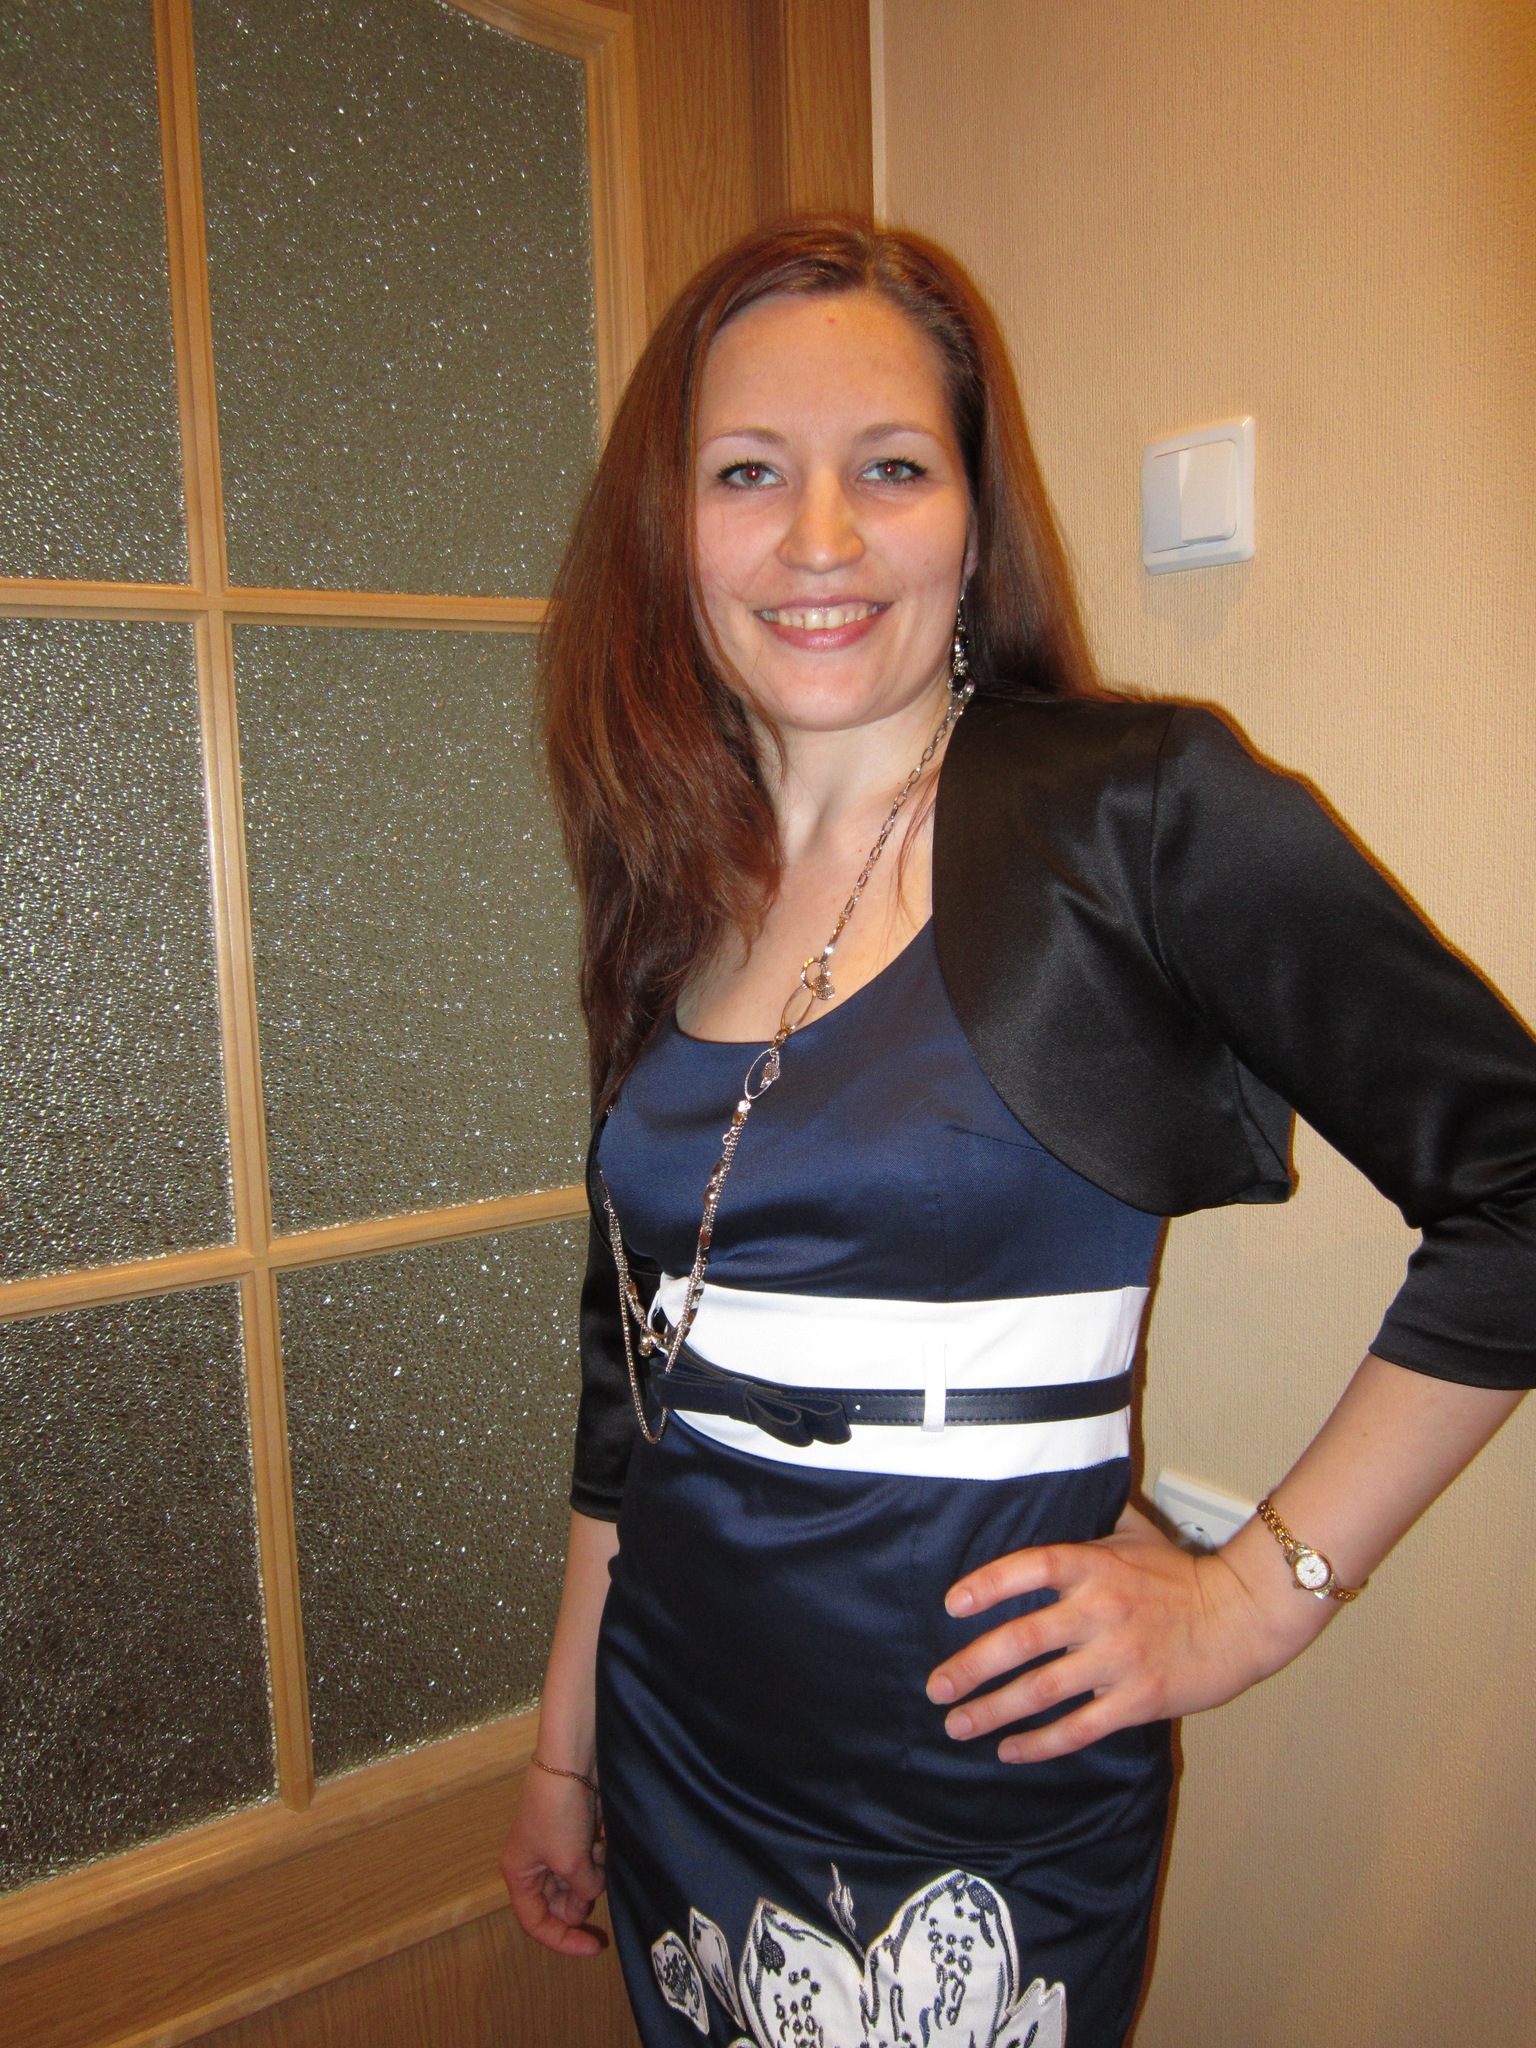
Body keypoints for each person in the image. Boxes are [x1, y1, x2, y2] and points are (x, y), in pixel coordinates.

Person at [499, 217, 1536, 2048]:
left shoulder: (1132, 813)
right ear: (669, 527)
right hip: (675, 1734)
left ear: (975, 522)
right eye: (749, 473)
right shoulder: (666, 864)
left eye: (892, 468)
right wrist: (566, 1750)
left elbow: (1518, 1190)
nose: (822, 539)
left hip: (970, 1792)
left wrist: (1256, 1597)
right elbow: (634, 1364)